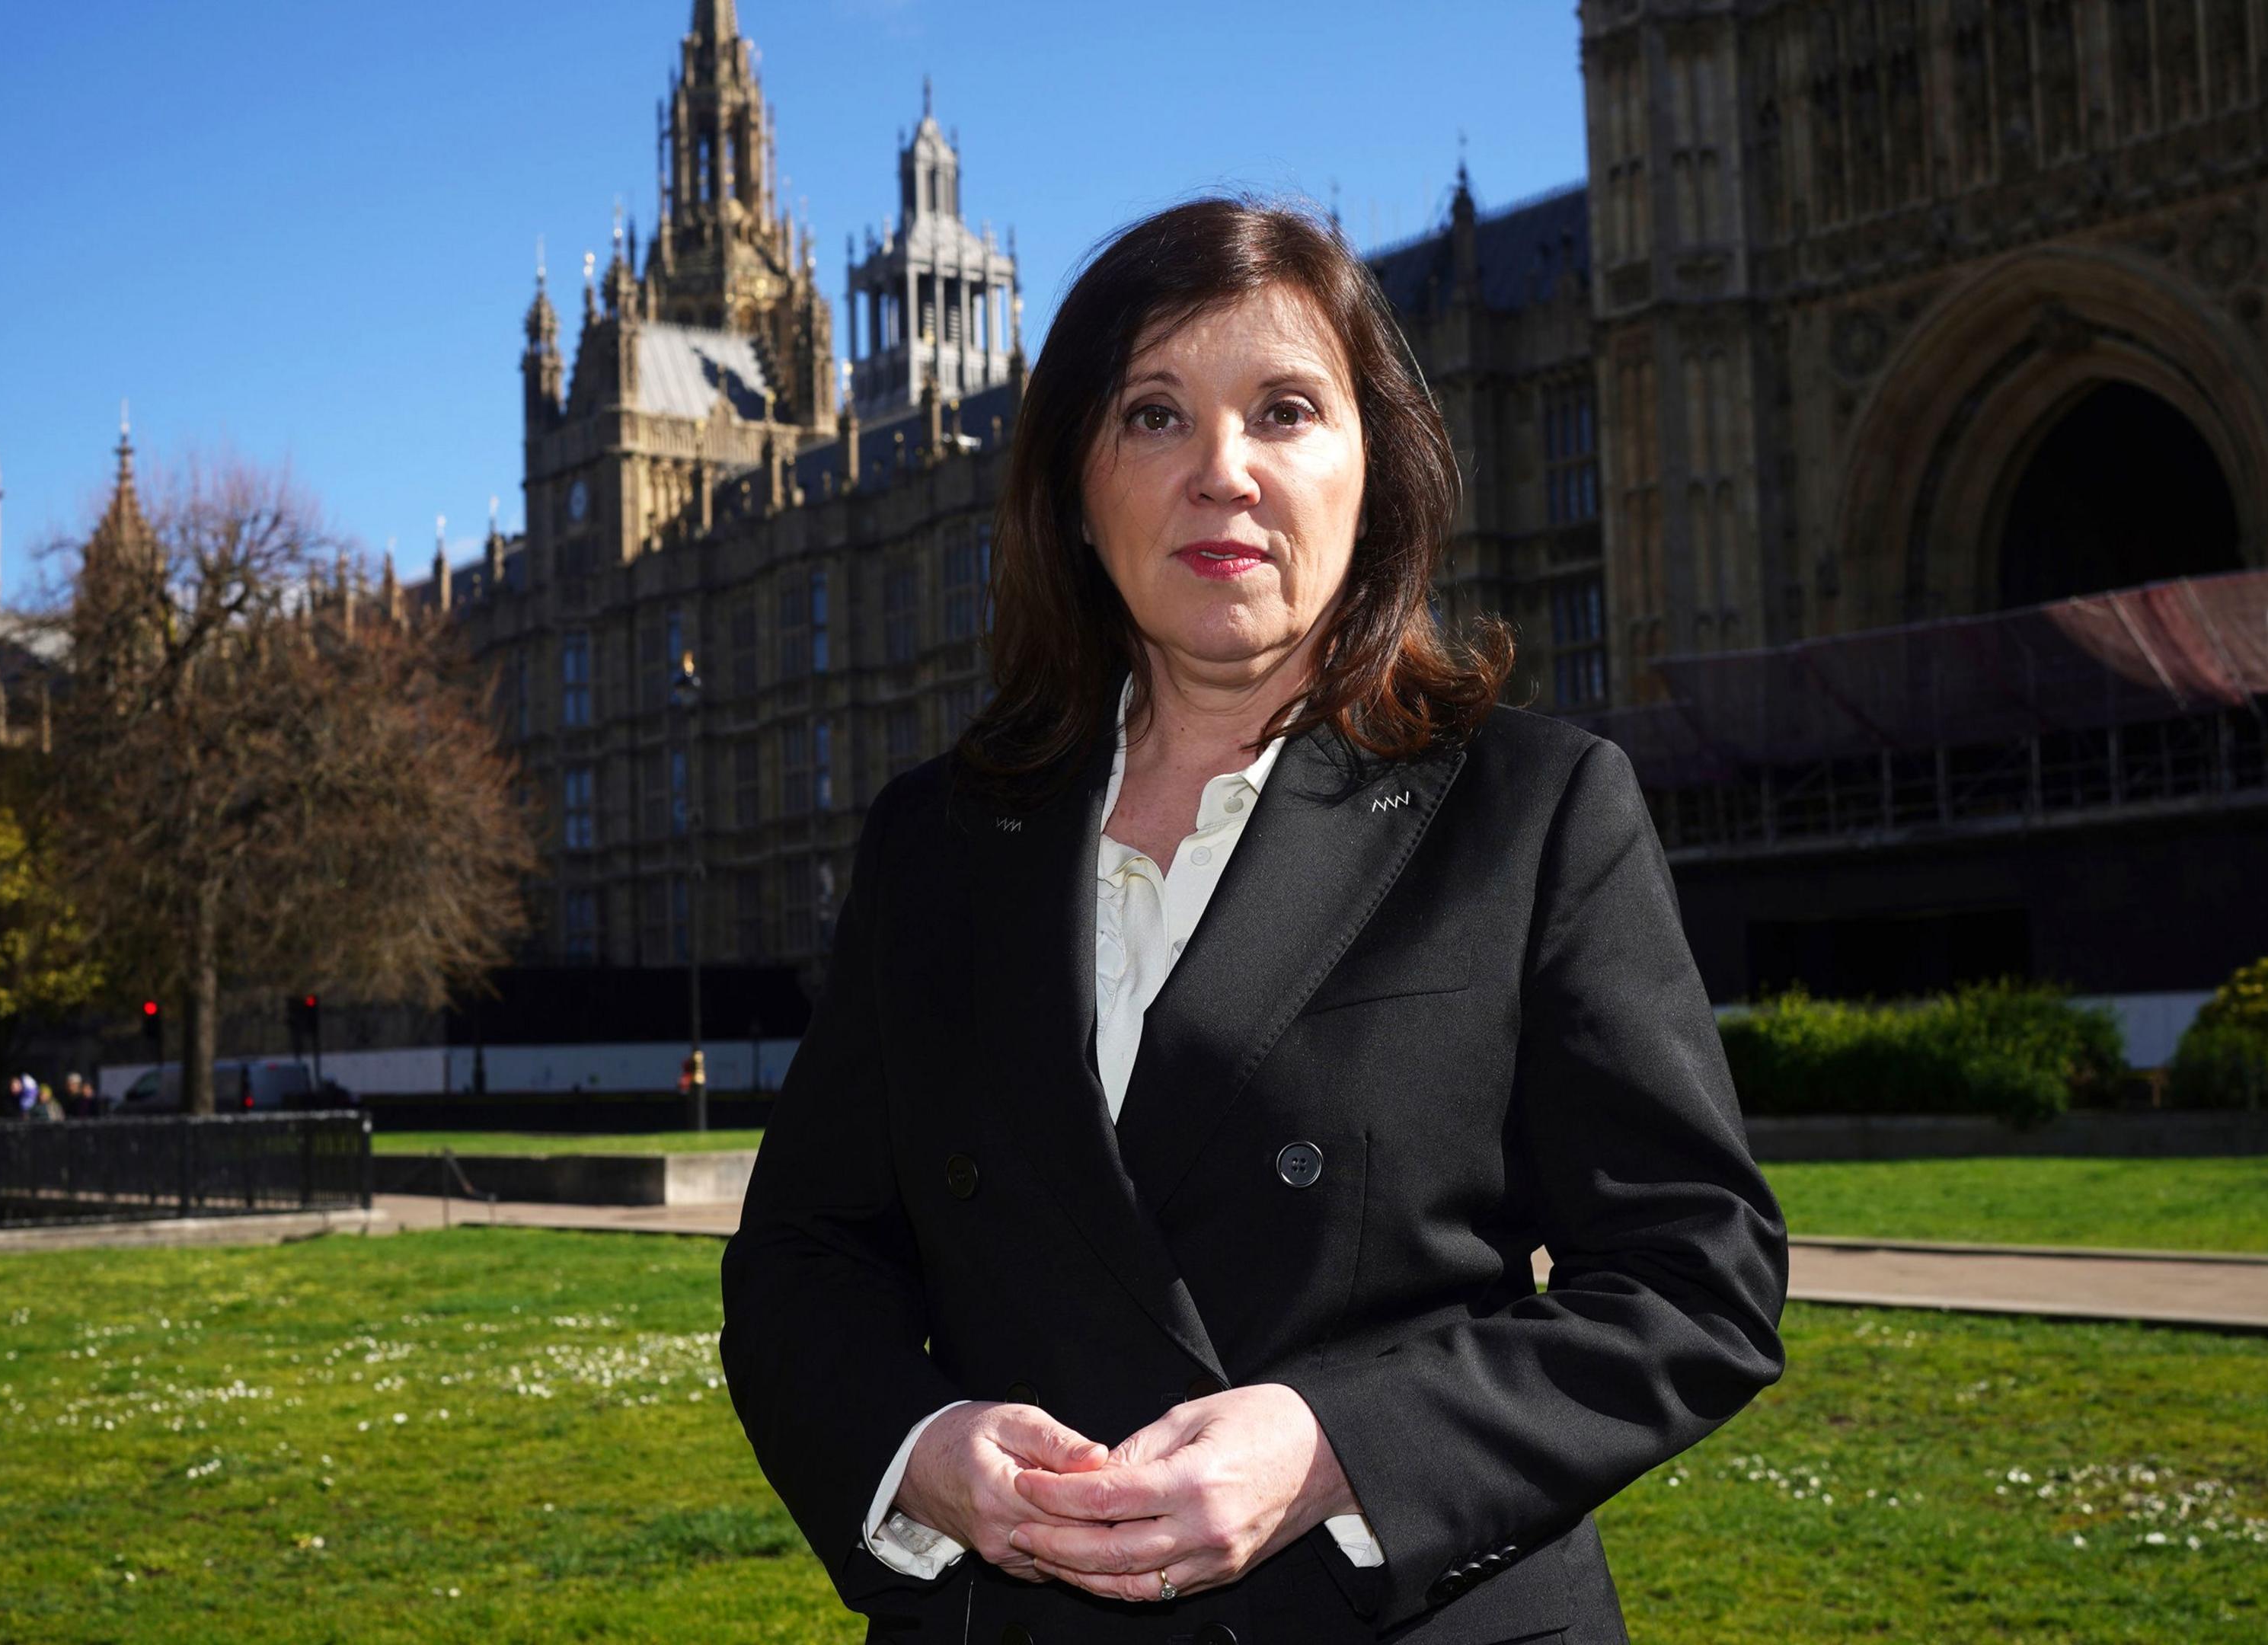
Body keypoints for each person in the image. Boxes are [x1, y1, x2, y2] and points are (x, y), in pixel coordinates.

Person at [721, 197, 1787, 1644]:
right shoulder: (939, 839)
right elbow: (802, 1261)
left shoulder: (1531, 812)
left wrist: (1342, 1447)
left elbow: (1693, 1275)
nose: (1222, 473)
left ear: (1375, 467)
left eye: (1286, 409)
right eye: (1152, 417)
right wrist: (918, 1453)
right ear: (1076, 492)